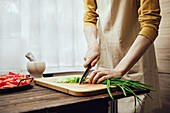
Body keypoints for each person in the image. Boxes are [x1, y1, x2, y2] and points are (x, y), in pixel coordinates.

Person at [83, 0, 162, 113]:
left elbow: (151, 24)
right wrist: (92, 44)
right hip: (106, 56)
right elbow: (89, 16)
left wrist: (119, 69)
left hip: (136, 57)